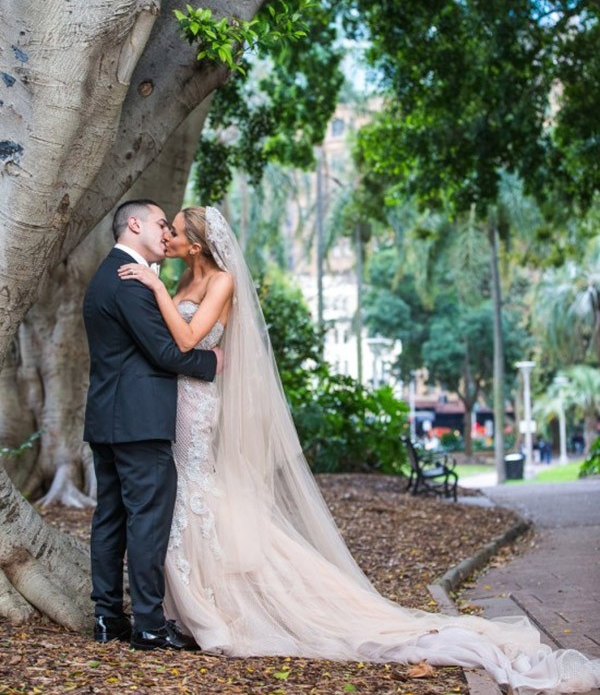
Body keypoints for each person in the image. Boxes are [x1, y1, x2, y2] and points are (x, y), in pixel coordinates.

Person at [120, 206, 600, 693]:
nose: (168, 236)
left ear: (196, 244)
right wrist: (163, 293)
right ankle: (186, 603)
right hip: (171, 397)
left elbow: (183, 338)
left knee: (195, 493)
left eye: (175, 231)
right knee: (184, 494)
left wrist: (156, 290)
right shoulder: (178, 279)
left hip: (195, 405)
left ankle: (210, 606)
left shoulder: (218, 281)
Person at [83, 199, 223, 652]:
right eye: (161, 223)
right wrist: (214, 363)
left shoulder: (106, 275)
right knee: (147, 520)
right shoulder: (130, 282)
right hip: (139, 422)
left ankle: (108, 618)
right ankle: (148, 624)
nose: (166, 232)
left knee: (110, 518)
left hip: (107, 418)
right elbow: (166, 353)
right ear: (135, 224)